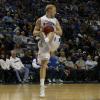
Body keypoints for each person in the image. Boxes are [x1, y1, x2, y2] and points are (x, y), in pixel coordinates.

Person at [33, 4, 62, 97]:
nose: (55, 12)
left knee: (51, 32)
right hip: (44, 44)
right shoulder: (40, 20)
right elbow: (34, 32)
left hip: (54, 42)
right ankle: (42, 88)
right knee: (43, 65)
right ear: (49, 10)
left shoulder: (55, 20)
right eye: (54, 10)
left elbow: (60, 32)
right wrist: (41, 31)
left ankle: (45, 40)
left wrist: (52, 30)